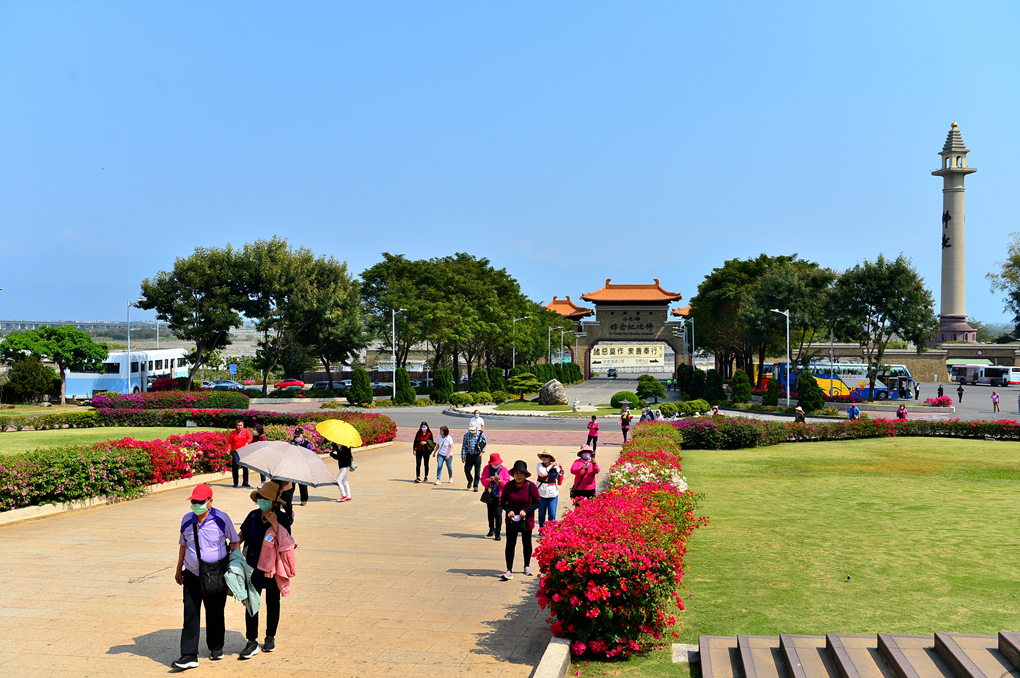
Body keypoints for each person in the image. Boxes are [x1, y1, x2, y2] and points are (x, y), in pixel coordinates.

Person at [172, 484, 240, 670]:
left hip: (216, 573)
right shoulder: (187, 519)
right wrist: (178, 569)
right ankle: (189, 655)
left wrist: (235, 567)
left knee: (215, 611)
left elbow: (234, 542)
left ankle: (216, 647)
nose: (196, 504)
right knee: (190, 613)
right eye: (193, 501)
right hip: (192, 574)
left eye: (200, 501)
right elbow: (183, 545)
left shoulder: (221, 518)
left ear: (210, 501)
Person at [237, 481, 293, 660]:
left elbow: (286, 543)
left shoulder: (282, 518)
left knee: (273, 603)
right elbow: (242, 534)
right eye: (260, 497)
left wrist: (275, 524)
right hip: (252, 567)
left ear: (274, 501)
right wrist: (233, 545)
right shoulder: (253, 516)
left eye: (265, 498)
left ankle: (270, 637)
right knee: (251, 603)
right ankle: (251, 640)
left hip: (272, 569)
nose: (261, 500)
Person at [499, 460, 540, 580]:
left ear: (525, 474)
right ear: (513, 474)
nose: (519, 475)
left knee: (527, 543)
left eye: (521, 473)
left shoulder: (531, 486)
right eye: (516, 473)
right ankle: (509, 570)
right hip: (512, 520)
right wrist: (508, 510)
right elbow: (502, 502)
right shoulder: (508, 486)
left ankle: (527, 566)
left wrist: (526, 510)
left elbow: (538, 502)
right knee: (510, 544)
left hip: (526, 520)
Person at [481, 453, 511, 540]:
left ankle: (498, 533)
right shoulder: (487, 468)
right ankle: (491, 529)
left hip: (500, 496)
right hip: (490, 495)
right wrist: (488, 480)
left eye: (497, 463)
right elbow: (482, 480)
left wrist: (501, 482)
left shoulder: (504, 469)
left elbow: (507, 483)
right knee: (490, 513)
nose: (495, 465)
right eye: (494, 464)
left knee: (498, 514)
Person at [535, 451, 563, 531]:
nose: (544, 458)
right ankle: (542, 530)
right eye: (543, 456)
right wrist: (551, 465)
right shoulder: (540, 465)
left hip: (553, 494)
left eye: (546, 456)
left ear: (550, 458)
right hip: (541, 493)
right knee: (541, 514)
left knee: (552, 514)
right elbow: (542, 473)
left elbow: (560, 479)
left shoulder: (555, 467)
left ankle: (551, 531)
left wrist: (561, 469)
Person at [461, 421, 486, 492]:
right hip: (469, 455)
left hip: (477, 455)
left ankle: (475, 486)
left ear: (476, 428)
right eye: (471, 430)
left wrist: (482, 452)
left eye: (473, 429)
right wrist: (463, 456)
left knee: (477, 471)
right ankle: (470, 479)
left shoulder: (481, 434)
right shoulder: (466, 435)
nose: (472, 431)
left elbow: (485, 443)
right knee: (467, 469)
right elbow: (464, 446)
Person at [228, 420, 253, 488]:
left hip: (244, 452)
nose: (240, 427)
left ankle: (245, 482)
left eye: (241, 425)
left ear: (243, 425)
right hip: (236, 452)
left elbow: (250, 438)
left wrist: (247, 442)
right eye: (238, 425)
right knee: (235, 468)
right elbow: (230, 442)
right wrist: (229, 449)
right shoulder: (233, 433)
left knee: (245, 468)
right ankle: (235, 483)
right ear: (236, 426)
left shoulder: (246, 431)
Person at [290, 431, 313, 506]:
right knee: (290, 485)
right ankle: (288, 500)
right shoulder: (292, 443)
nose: (297, 436)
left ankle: (304, 500)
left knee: (303, 485)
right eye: (296, 435)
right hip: (293, 467)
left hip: (303, 467)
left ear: (302, 435)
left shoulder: (307, 444)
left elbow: (311, 456)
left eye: (298, 435)